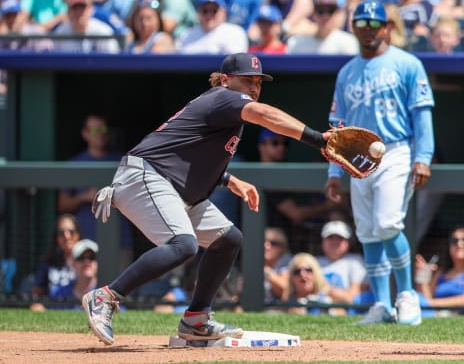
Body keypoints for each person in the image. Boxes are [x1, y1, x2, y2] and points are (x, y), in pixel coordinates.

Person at [80, 52, 333, 346]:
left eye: (258, 82)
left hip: (170, 183)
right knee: (183, 244)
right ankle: (105, 297)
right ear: (226, 80)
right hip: (146, 176)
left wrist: (229, 179)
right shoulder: (224, 97)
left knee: (228, 239)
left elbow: (185, 153)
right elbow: (267, 116)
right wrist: (318, 140)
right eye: (247, 80)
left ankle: (196, 319)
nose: (253, 87)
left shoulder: (223, 110)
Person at [324, 0, 435, 326]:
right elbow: (337, 127)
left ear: (387, 27)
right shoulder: (346, 71)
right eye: (361, 23)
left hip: (395, 150)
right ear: (353, 27)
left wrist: (424, 157)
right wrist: (334, 171)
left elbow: (422, 114)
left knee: (387, 223)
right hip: (356, 158)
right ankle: (382, 305)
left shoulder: (407, 63)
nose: (368, 29)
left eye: (374, 24)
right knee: (369, 232)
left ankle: (406, 296)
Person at [57, 113, 125, 243]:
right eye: (95, 130)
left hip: (119, 238)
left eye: (103, 130)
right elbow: (62, 204)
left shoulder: (122, 161)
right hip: (86, 239)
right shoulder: (75, 164)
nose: (100, 134)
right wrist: (85, 196)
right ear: (85, 134)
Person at [414, 226, 464, 316]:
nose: (460, 244)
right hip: (437, 315)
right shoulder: (441, 273)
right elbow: (426, 298)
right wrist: (422, 275)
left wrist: (432, 304)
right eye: (455, 241)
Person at [30, 214, 81, 311]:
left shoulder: (88, 261)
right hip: (54, 308)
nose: (66, 236)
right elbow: (37, 294)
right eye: (61, 233)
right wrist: (37, 305)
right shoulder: (47, 263)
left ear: (78, 234)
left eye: (71, 231)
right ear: (56, 237)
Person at [176, 0, 249, 54]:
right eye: (205, 11)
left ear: (224, 13)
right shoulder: (187, 34)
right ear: (198, 13)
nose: (209, 15)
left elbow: (237, 62)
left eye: (214, 11)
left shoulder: (235, 32)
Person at [316, 220, 367, 305]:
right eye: (330, 237)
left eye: (340, 238)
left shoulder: (355, 261)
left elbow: (352, 297)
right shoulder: (314, 261)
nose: (335, 242)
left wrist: (329, 292)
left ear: (348, 242)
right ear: (323, 241)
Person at [263, 226, 292, 305]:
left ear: (282, 247)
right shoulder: (251, 261)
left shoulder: (288, 262)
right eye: (263, 241)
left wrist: (266, 271)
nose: (266, 246)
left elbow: (285, 290)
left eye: (273, 243)